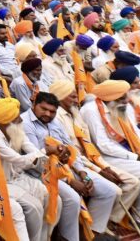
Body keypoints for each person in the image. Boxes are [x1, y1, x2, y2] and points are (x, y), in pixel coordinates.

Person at [21, 92, 120, 240]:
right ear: (34, 105)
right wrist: (70, 181)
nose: (48, 114)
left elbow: (71, 149)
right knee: (72, 199)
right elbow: (37, 160)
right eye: (44, 109)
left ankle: (90, 234)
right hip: (41, 173)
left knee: (108, 190)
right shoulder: (25, 123)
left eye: (52, 111)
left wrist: (82, 173)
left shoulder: (55, 122)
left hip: (66, 167)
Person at [80, 80, 140, 228]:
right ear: (110, 98)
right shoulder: (91, 110)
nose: (126, 100)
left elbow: (136, 134)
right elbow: (103, 145)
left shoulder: (118, 106)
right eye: (122, 97)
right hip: (102, 157)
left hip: (124, 153)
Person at [0, 97, 56, 241]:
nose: (20, 119)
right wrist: (45, 152)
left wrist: (45, 154)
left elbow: (29, 147)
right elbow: (19, 160)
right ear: (5, 121)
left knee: (52, 198)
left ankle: (44, 238)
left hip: (16, 177)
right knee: (34, 207)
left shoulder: (14, 128)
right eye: (16, 118)